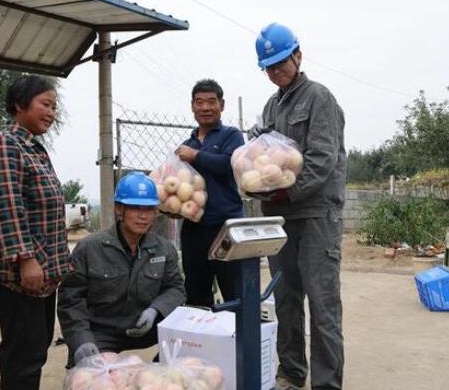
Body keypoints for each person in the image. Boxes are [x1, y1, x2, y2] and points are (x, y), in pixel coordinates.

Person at [250, 23, 346, 390]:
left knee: (323, 305)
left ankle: (326, 384)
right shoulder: (272, 106)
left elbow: (323, 159)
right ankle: (291, 372)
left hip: (316, 214)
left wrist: (286, 193)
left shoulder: (319, 98)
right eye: (269, 67)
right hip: (281, 217)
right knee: (286, 299)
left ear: (298, 55)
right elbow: (264, 160)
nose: (276, 71)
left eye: (281, 63)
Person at [0, 75, 70, 390]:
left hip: (42, 275)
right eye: (45, 104)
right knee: (23, 357)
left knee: (35, 350)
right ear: (19, 104)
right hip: (19, 275)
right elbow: (7, 206)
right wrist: (25, 259)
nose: (51, 112)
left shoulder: (33, 148)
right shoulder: (5, 143)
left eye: (54, 107)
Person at [57, 172, 185, 367]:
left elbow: (176, 288)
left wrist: (155, 310)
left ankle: (160, 373)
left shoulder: (164, 249)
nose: (143, 216)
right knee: (88, 376)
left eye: (149, 209)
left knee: (189, 341)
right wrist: (82, 341)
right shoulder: (90, 248)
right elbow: (71, 301)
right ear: (119, 209)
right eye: (135, 208)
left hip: (147, 327)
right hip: (102, 331)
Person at [174, 79, 245, 307]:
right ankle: (204, 340)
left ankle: (239, 341)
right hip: (193, 230)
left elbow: (228, 164)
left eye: (211, 101)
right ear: (192, 106)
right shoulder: (187, 144)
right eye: (199, 102)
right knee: (196, 295)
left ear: (221, 105)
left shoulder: (231, 136)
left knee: (235, 295)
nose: (205, 107)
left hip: (226, 228)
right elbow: (178, 183)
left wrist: (195, 156)